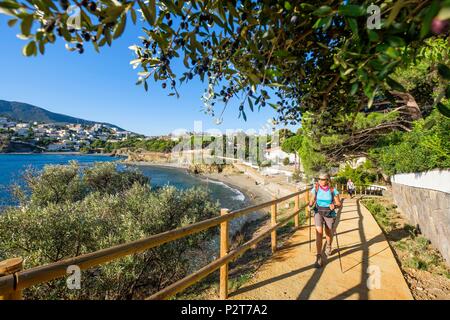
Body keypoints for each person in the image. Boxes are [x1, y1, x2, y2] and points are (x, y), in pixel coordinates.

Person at [308, 172, 341, 268]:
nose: (321, 181)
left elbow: (339, 203)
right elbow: (312, 199)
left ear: (327, 180)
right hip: (318, 211)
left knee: (328, 231)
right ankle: (318, 256)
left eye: (323, 179)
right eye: (319, 179)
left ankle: (329, 245)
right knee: (319, 233)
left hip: (329, 213)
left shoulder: (332, 190)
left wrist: (334, 205)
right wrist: (310, 205)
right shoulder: (316, 188)